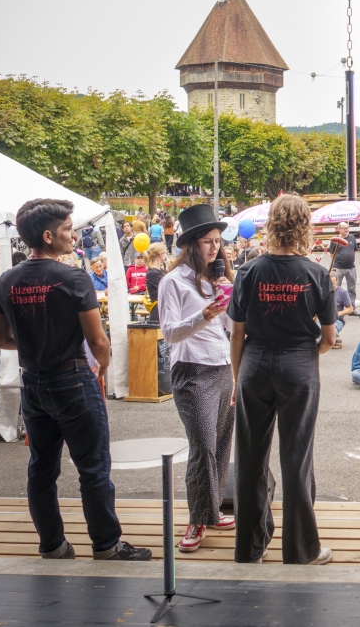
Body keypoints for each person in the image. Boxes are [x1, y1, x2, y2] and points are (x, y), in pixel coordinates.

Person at [0, 199, 151, 561]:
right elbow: (98, 341)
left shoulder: (8, 280)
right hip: (73, 378)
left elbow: (1, 340)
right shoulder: (73, 278)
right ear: (48, 236)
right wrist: (102, 367)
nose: (72, 234)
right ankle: (107, 545)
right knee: (93, 468)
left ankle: (52, 544)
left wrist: (34, 344)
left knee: (41, 469)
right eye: (67, 228)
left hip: (32, 382)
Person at [230, 194, 337, 566]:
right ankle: (301, 551)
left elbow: (236, 335)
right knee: (296, 458)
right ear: (304, 225)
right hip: (298, 364)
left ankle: (248, 549)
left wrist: (236, 378)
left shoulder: (248, 270)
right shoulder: (315, 273)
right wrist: (305, 357)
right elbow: (329, 339)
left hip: (254, 364)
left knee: (248, 459)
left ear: (271, 223)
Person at [158, 205, 237, 553]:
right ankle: (196, 517)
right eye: (207, 241)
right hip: (191, 371)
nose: (214, 248)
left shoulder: (218, 279)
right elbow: (170, 333)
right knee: (202, 445)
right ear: (191, 243)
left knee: (221, 444)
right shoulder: (172, 282)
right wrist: (204, 314)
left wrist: (229, 304)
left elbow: (231, 332)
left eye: (218, 241)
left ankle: (213, 510)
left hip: (223, 368)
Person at [330, 221, 358, 314]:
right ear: (339, 229)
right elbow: (331, 254)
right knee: (336, 288)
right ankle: (335, 308)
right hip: (339, 267)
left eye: (347, 228)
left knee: (352, 289)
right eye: (344, 228)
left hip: (351, 267)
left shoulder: (352, 238)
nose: (346, 230)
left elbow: (354, 250)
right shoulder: (335, 240)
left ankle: (352, 308)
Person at [144, 242, 168, 308]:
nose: (166, 255)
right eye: (165, 252)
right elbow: (168, 288)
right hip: (158, 309)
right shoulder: (153, 273)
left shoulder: (158, 270)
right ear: (160, 255)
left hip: (162, 308)